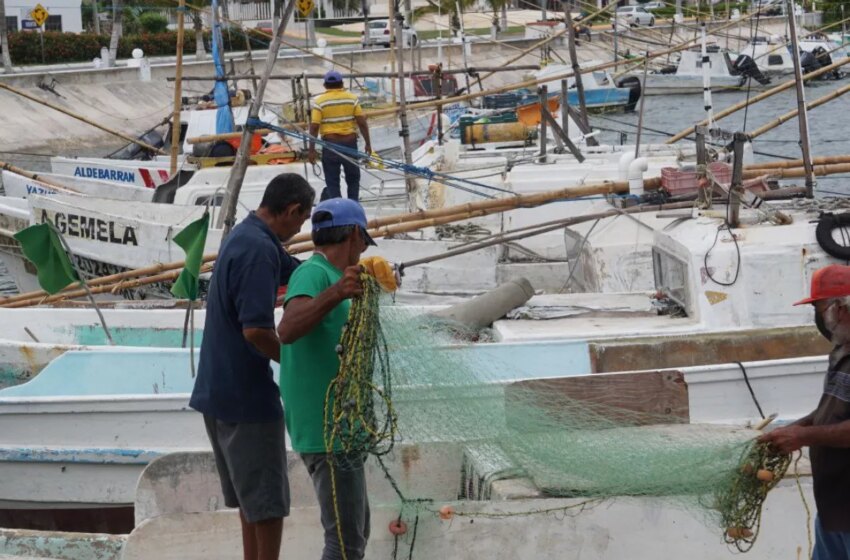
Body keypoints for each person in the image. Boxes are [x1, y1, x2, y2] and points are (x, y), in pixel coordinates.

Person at [189, 173, 315, 560]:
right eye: (301, 220)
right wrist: (295, 364)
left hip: (216, 391)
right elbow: (257, 331)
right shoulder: (258, 250)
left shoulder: (247, 235)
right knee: (268, 506)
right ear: (291, 210)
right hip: (247, 399)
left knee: (250, 502)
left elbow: (292, 269)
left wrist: (328, 275)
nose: (299, 228)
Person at [277, 197, 378, 560]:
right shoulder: (313, 273)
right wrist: (337, 293)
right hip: (326, 431)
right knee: (345, 545)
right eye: (364, 240)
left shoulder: (340, 277)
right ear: (354, 234)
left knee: (358, 530)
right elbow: (287, 329)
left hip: (343, 426)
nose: (364, 249)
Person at [759, 264, 850, 560]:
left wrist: (803, 436)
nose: (819, 320)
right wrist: (794, 428)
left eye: (821, 309)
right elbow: (830, 411)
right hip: (834, 508)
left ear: (843, 308)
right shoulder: (841, 350)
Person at [308, 70, 372, 202]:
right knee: (353, 179)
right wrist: (368, 143)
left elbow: (314, 126)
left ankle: (337, 209)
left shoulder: (319, 102)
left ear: (325, 85)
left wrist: (311, 150)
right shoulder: (352, 99)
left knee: (332, 181)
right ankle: (353, 207)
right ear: (342, 83)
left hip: (330, 146)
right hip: (350, 144)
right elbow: (362, 122)